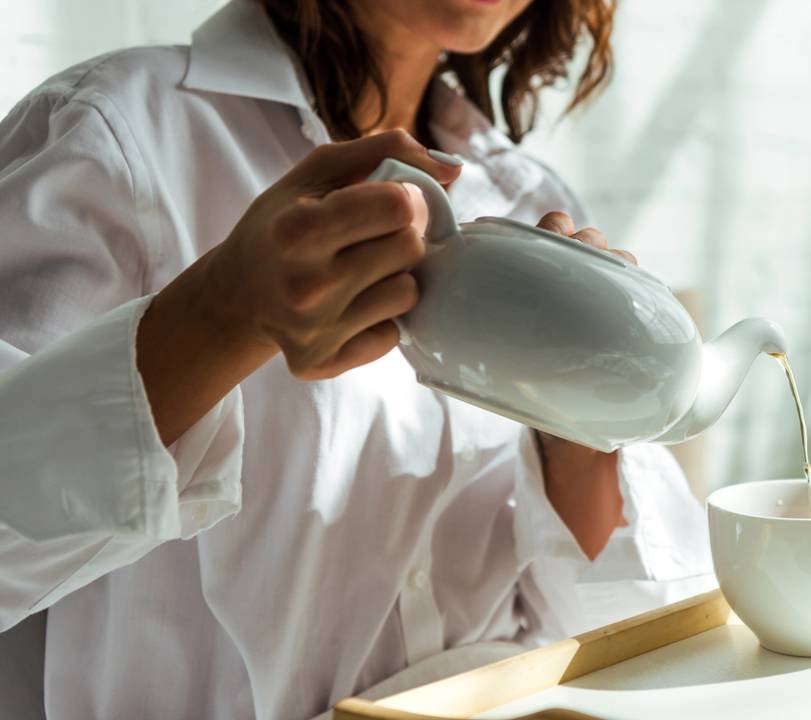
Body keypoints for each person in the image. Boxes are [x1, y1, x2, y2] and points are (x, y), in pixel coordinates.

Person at [0, 1, 713, 717]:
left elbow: (626, 629)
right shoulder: (117, 136)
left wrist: (579, 429)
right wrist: (219, 314)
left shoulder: (528, 199)